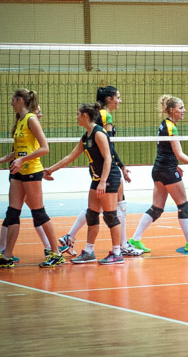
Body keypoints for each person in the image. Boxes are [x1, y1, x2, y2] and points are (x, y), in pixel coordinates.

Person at [0, 89, 65, 269]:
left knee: (38, 212)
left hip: (31, 171)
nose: (11, 103)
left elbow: (44, 148)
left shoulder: (31, 119)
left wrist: (22, 160)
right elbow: (17, 152)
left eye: (13, 100)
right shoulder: (20, 121)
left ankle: (56, 253)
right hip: (18, 171)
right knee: (12, 213)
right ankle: (7, 256)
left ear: (20, 100)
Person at [59, 86, 138, 256]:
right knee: (115, 207)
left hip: (97, 168)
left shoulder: (98, 118)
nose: (120, 101)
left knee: (96, 209)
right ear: (109, 99)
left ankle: (72, 237)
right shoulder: (105, 116)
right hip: (107, 169)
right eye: (118, 97)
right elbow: (110, 148)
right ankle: (121, 246)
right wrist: (121, 166)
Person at [44, 104, 125, 264]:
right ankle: (89, 251)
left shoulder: (99, 134)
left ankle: (117, 253)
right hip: (97, 178)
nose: (76, 117)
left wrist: (103, 182)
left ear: (85, 116)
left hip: (109, 177)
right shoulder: (86, 136)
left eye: (78, 114)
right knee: (91, 214)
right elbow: (70, 156)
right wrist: (51, 170)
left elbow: (108, 158)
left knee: (110, 216)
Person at [128, 96, 188, 253]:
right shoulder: (171, 127)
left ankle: (135, 240)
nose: (184, 110)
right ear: (172, 110)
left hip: (158, 169)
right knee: (184, 206)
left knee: (156, 209)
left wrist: (175, 164)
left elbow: (166, 150)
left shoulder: (164, 124)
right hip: (167, 171)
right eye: (181, 108)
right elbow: (179, 153)